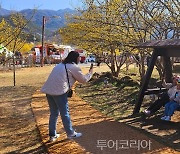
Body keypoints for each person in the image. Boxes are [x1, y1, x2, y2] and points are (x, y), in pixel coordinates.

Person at [41, 51, 93, 142]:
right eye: (79, 57)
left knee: (54, 113)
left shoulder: (59, 65)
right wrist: (90, 73)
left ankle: (52, 135)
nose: (80, 59)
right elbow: (83, 80)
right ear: (76, 58)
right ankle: (70, 133)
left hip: (49, 92)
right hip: (59, 92)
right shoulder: (73, 67)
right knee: (65, 113)